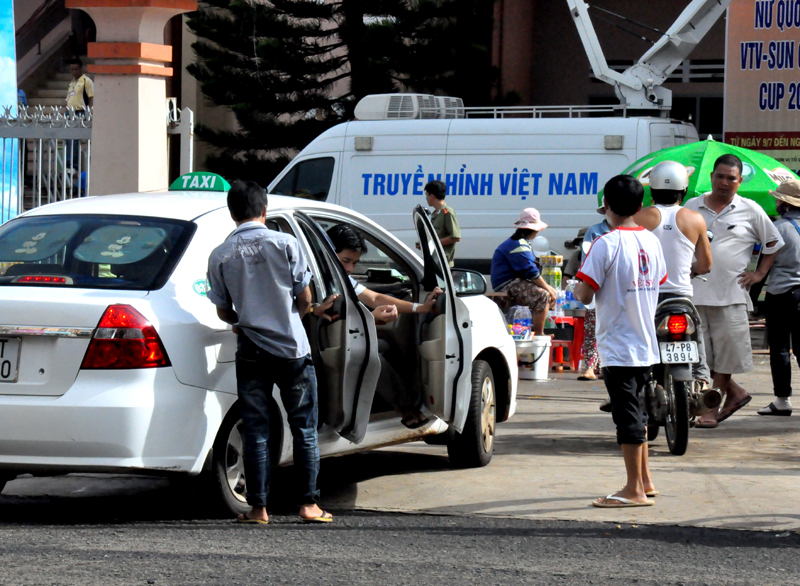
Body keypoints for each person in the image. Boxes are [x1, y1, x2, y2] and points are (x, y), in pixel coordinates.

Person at [206, 180, 331, 525]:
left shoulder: (220, 255)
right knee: (303, 427)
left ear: (232, 214)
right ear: (265, 210)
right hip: (292, 349)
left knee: (256, 430)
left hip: (250, 350)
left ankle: (258, 508)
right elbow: (305, 298)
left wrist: (242, 320)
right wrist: (292, 318)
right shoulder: (286, 244)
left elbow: (223, 311)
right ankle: (308, 505)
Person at [574, 175, 667, 508]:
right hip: (645, 344)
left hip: (618, 345)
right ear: (641, 206)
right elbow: (659, 279)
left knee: (627, 418)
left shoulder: (606, 244)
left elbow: (585, 293)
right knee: (639, 414)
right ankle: (645, 481)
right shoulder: (652, 241)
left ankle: (633, 490)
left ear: (607, 206)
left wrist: (576, 287)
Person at [685, 154, 784, 428]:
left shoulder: (750, 209)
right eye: (720, 176)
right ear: (711, 177)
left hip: (731, 294)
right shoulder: (692, 206)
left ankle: (709, 408)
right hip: (692, 294)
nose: (725, 183)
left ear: (740, 181)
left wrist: (759, 273)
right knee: (698, 355)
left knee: (726, 355)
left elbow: (774, 243)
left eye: (732, 178)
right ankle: (734, 394)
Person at [319, 224, 442, 429]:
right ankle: (406, 407)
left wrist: (419, 308)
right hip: (331, 343)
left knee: (385, 345)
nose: (349, 268)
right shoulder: (318, 277)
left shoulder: (342, 278)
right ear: (330, 253)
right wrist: (370, 319)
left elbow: (374, 297)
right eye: (346, 261)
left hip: (345, 338)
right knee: (370, 355)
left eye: (354, 263)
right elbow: (333, 318)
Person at [633, 161, 713, 387]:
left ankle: (636, 388)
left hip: (648, 297)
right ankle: (701, 381)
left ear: (652, 190)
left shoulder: (639, 218)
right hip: (681, 297)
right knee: (696, 340)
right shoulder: (695, 219)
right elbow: (706, 265)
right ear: (684, 190)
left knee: (642, 346)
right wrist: (691, 270)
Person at [757, 179, 800, 417]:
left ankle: (782, 401)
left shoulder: (779, 229)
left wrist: (753, 300)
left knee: (781, 349)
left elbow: (763, 268)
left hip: (782, 295)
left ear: (784, 203)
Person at [490, 208, 558, 336]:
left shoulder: (520, 243)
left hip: (514, 282)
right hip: (507, 284)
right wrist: (548, 287)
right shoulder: (518, 245)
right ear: (535, 230)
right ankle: (539, 333)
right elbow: (530, 271)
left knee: (547, 293)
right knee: (542, 295)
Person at [578, 205, 612, 381]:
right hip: (597, 284)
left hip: (620, 288)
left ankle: (608, 366)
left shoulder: (631, 230)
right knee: (592, 326)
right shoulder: (595, 232)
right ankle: (590, 366)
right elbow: (586, 259)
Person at [64, 58, 94, 171]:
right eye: (72, 69)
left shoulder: (86, 81)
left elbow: (91, 97)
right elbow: (68, 99)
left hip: (80, 111)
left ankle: (74, 165)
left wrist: (89, 112)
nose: (74, 71)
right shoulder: (72, 83)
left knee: (75, 138)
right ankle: (68, 163)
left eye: (76, 69)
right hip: (70, 111)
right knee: (68, 138)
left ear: (81, 69)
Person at [425, 180, 461, 267]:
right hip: (435, 260)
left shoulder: (447, 212)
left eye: (426, 195)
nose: (426, 198)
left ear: (432, 195)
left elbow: (455, 237)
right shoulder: (437, 213)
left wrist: (434, 244)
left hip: (443, 264)